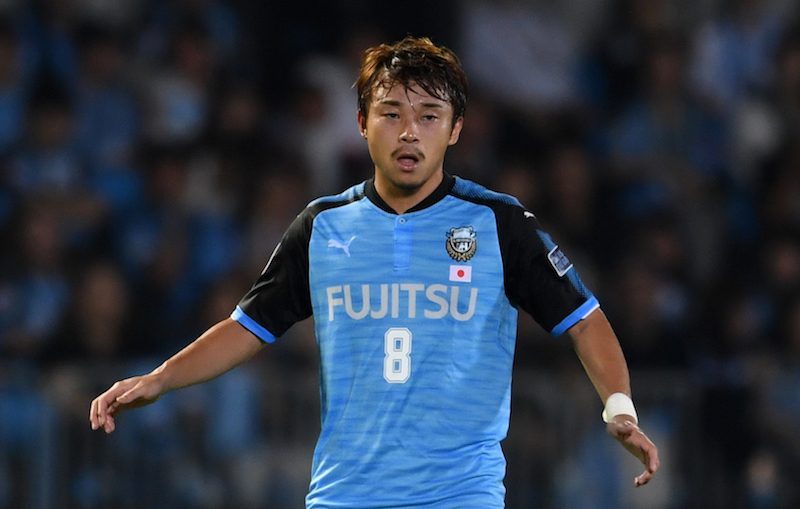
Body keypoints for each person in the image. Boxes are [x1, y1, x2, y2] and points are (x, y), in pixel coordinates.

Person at [90, 35, 659, 508]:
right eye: (391, 114)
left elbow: (584, 319)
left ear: (455, 129)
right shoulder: (322, 226)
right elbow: (248, 327)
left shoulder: (498, 223)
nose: (409, 132)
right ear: (362, 122)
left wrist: (619, 407)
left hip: (460, 495)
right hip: (344, 494)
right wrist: (160, 378)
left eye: (429, 116)